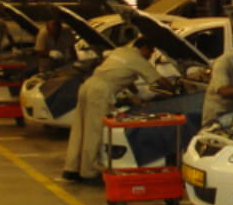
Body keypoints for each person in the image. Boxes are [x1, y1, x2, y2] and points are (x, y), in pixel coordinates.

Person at [63, 38, 163, 184]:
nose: (151, 54)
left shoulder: (121, 51)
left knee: (80, 128)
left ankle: (71, 168)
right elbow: (159, 81)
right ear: (144, 48)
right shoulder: (138, 59)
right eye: (151, 51)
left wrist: (135, 94)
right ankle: (89, 172)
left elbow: (124, 75)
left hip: (87, 85)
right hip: (100, 91)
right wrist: (174, 90)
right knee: (94, 131)